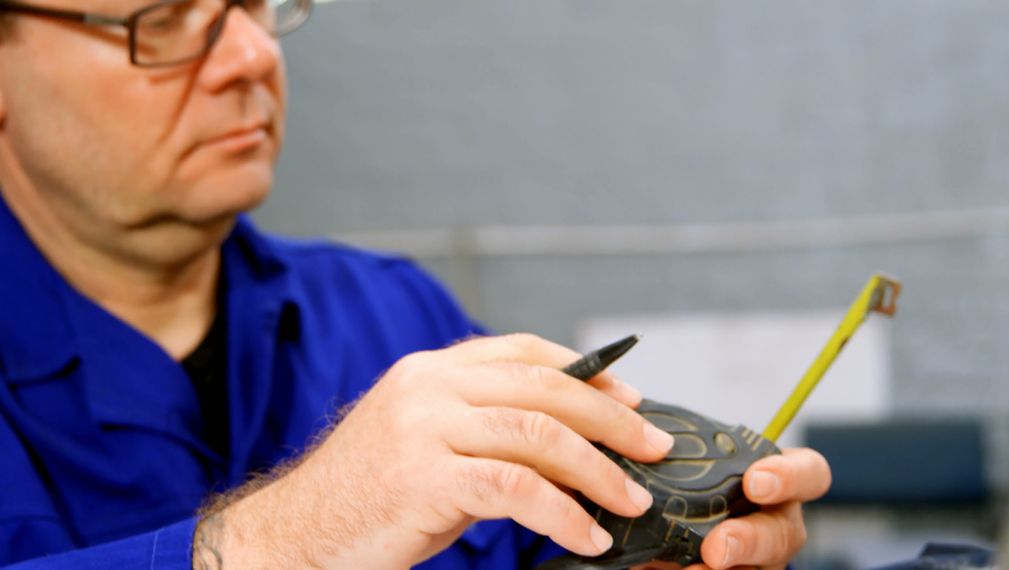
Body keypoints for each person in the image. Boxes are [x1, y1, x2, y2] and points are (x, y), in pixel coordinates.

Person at [0, 0, 832, 568]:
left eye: (256, 5)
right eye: (169, 18)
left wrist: (670, 538)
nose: (253, 55)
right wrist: (285, 542)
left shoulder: (397, 316)